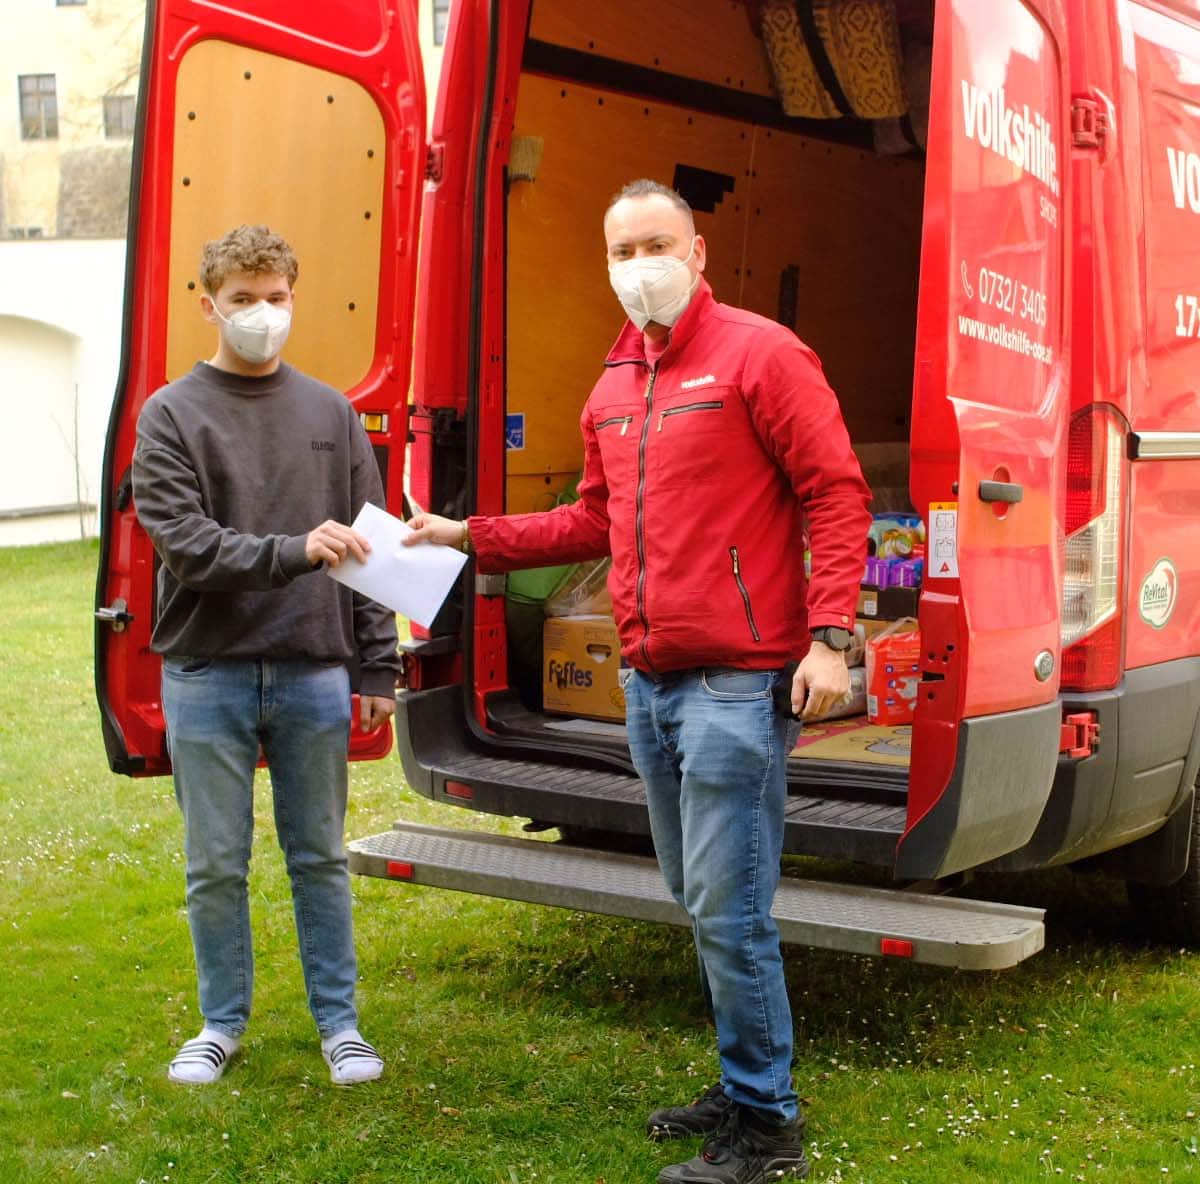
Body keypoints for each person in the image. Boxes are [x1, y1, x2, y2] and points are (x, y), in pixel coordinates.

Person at [405, 179, 871, 1182]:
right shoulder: (617, 381)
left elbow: (835, 492)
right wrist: (466, 535)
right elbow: (589, 520)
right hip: (650, 683)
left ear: (698, 253)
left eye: (656, 244)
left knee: (729, 899)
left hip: (737, 683)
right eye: (621, 251)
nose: (639, 266)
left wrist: (831, 637)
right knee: (695, 889)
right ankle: (748, 1076)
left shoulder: (761, 354)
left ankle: (767, 1122)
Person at [133, 224, 399, 1087]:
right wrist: (293, 550)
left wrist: (378, 666)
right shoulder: (169, 414)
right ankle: (220, 1022)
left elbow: (373, 547)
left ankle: (340, 1024)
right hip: (206, 671)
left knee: (318, 855)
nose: (260, 315)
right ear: (207, 304)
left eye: (275, 298)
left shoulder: (331, 412)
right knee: (215, 861)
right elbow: (185, 546)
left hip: (313, 669)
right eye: (242, 300)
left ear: (295, 298)